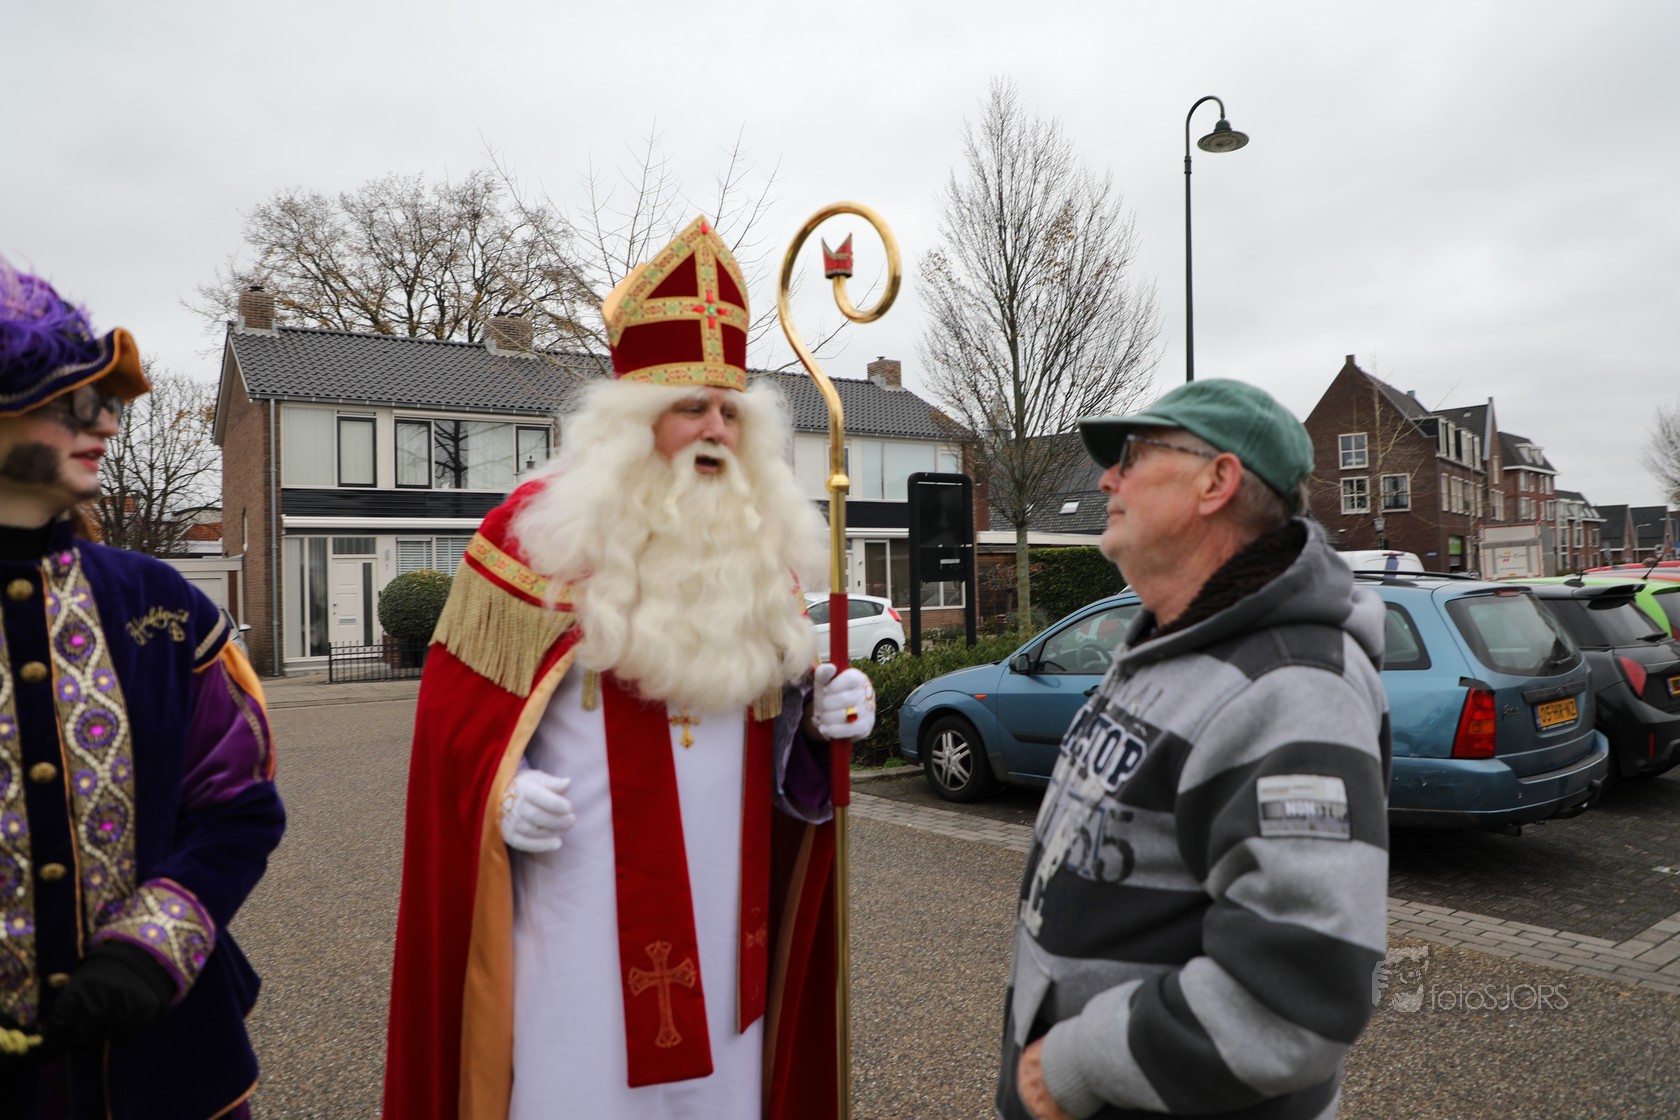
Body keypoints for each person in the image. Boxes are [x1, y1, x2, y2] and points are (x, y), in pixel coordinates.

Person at [384, 216, 877, 1120]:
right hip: (575, 928)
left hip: (728, 940)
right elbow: (453, 734)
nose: (716, 428)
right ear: (630, 423)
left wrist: (816, 727)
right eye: (692, 407)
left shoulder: (761, 560)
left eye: (731, 411)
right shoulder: (531, 542)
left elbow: (771, 760)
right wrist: (499, 797)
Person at [999, 379, 1390, 1120]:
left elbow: (1297, 997)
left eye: (1134, 456)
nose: (1106, 480)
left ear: (1217, 482)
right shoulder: (1172, 644)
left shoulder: (1291, 685)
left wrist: (1080, 1062)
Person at [0, 259, 284, 1118]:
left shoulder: (159, 604)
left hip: (166, 1063)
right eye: (73, 402)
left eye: (107, 401)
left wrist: (155, 946)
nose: (107, 424)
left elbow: (238, 804)